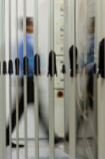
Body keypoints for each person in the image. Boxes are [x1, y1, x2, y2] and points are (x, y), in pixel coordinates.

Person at [5, 17, 63, 146]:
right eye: (31, 24)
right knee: (30, 110)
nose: (34, 26)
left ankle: (6, 137)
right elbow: (23, 61)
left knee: (28, 110)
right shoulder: (24, 43)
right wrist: (37, 68)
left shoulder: (29, 41)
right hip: (27, 79)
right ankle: (51, 137)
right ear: (26, 26)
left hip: (29, 79)